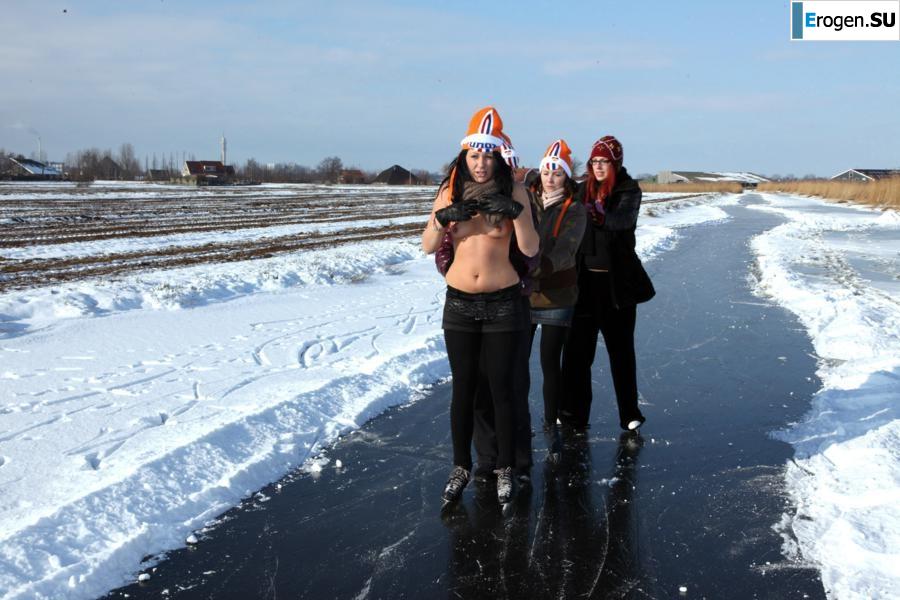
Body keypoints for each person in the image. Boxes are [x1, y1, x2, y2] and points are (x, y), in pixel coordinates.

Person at [422, 106, 539, 504]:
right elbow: (425, 246)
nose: (481, 163)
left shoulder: (515, 191)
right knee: (464, 390)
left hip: (503, 304)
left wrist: (517, 214)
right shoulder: (448, 190)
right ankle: (460, 466)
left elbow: (531, 248)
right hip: (459, 305)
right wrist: (442, 219)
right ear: (465, 156)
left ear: (498, 157)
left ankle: (505, 466)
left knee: (502, 390)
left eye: (488, 156)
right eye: (474, 155)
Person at [560, 136, 655, 432]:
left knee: (621, 352)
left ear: (616, 163)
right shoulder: (579, 190)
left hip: (617, 286)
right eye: (595, 162)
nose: (599, 167)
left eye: (605, 162)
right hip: (583, 285)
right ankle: (573, 413)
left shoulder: (628, 189)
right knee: (576, 354)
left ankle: (629, 412)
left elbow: (621, 220)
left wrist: (599, 214)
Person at [528, 139, 587, 458]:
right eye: (546, 171)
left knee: (550, 361)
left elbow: (567, 249)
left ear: (567, 177)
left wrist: (532, 269)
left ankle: (551, 421)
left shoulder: (575, 209)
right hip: (523, 294)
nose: (550, 178)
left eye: (557, 173)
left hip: (557, 294)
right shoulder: (526, 201)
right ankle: (517, 418)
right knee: (515, 360)